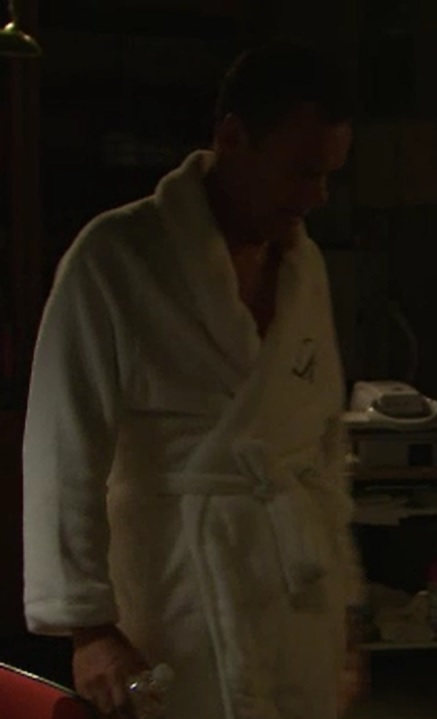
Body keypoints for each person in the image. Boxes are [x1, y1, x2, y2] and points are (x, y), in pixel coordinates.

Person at [22, 42, 364, 719]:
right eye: (301, 172)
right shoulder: (118, 258)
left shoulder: (305, 270)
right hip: (176, 591)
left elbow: (325, 444)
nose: (317, 197)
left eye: (328, 175)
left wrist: (348, 608)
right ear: (233, 138)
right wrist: (89, 627)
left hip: (295, 590)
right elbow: (63, 450)